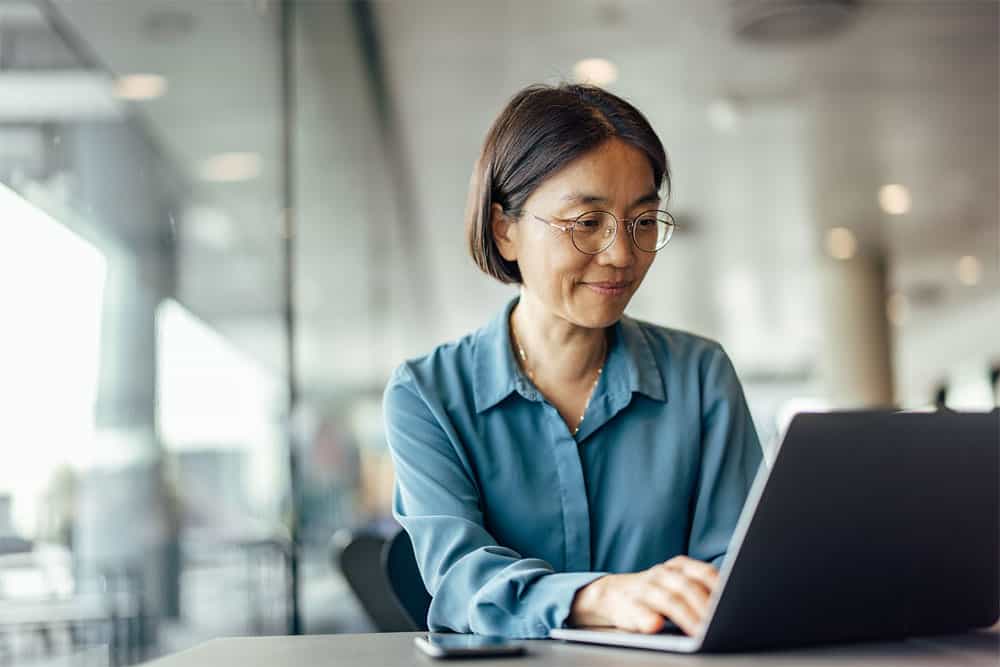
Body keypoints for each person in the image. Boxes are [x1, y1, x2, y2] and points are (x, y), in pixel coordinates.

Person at [383, 83, 762, 639]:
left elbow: (736, 568)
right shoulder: (427, 394)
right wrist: (602, 595)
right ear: (504, 229)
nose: (621, 255)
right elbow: (461, 579)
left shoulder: (700, 376)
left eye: (642, 221)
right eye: (587, 223)